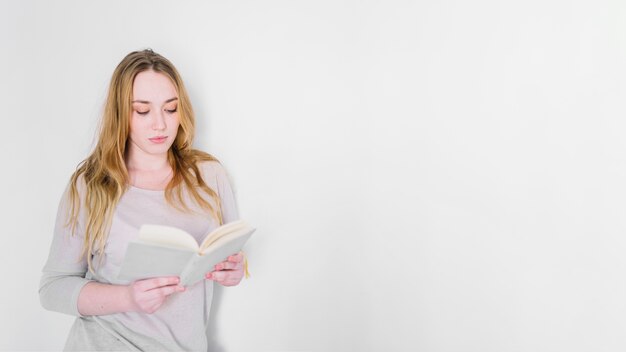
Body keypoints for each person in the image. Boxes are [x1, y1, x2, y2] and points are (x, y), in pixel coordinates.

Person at [39, 49, 246, 351]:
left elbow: (230, 254)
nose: (160, 124)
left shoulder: (209, 176)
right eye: (143, 111)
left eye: (171, 109)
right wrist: (128, 298)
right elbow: (52, 288)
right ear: (122, 114)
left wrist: (235, 270)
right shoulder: (91, 184)